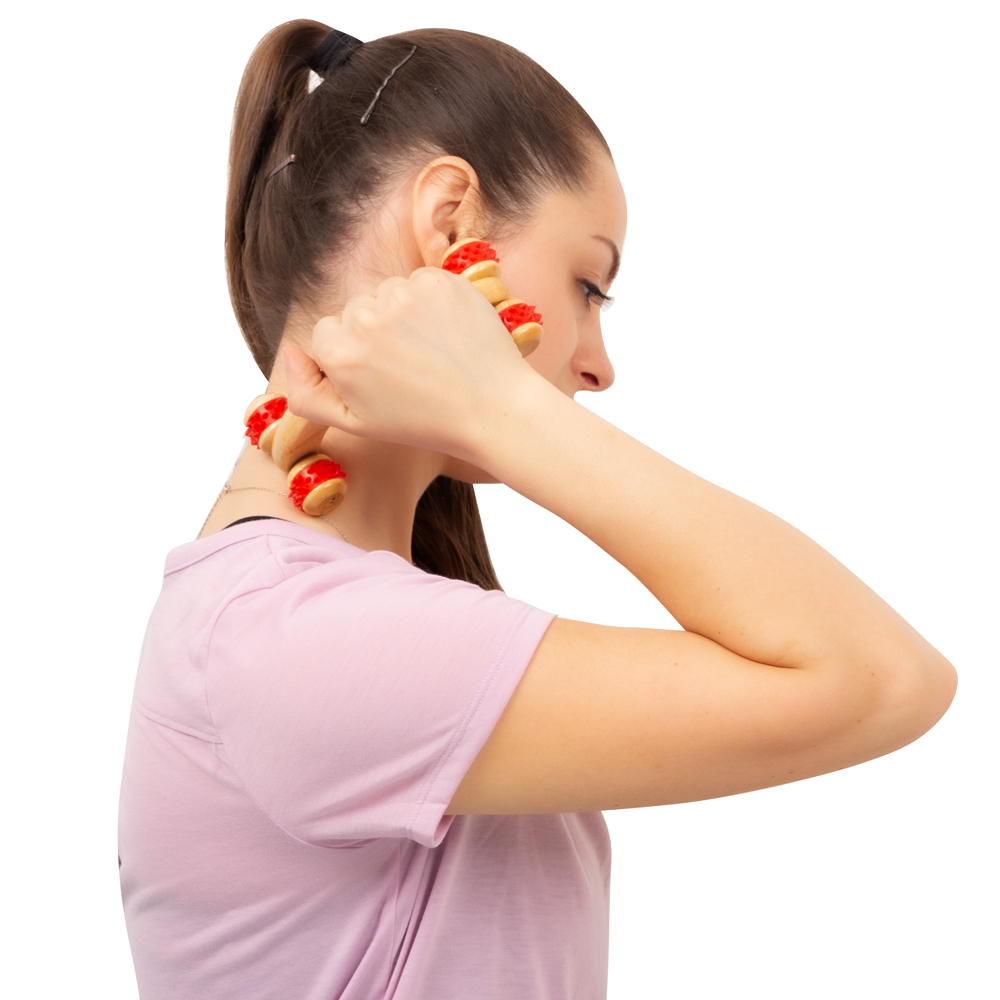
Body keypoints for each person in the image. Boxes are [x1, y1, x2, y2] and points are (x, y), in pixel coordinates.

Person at [118, 19, 957, 1000]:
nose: (599, 364)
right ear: (449, 226)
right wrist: (498, 403)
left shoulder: (314, 620)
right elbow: (884, 680)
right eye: (588, 284)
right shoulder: (294, 637)